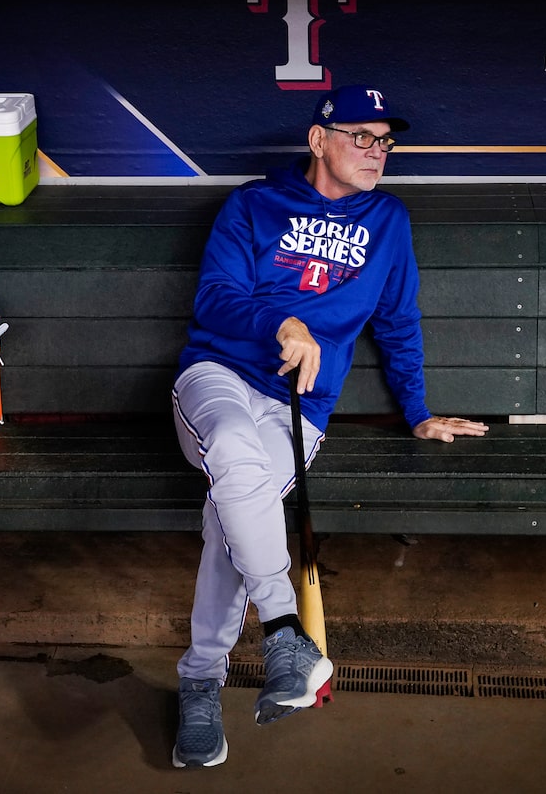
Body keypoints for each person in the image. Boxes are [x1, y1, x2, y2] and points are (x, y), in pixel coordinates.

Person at [168, 85, 490, 768]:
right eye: (360, 137)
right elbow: (216, 298)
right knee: (229, 450)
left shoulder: (387, 221)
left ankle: (201, 679)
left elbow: (398, 322)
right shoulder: (253, 205)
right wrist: (282, 323)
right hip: (217, 380)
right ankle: (284, 631)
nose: (376, 153)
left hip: (300, 408)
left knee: (231, 515)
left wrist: (419, 413)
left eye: (385, 142)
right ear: (319, 141)